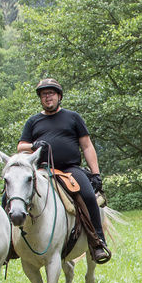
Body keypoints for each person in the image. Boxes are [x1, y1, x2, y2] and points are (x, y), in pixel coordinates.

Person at [16, 78, 111, 264]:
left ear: (59, 96)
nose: (47, 97)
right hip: (41, 170)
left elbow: (87, 146)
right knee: (13, 193)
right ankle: (12, 243)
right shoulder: (33, 121)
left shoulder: (73, 117)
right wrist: (34, 145)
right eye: (44, 94)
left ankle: (97, 241)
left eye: (51, 93)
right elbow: (21, 147)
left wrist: (95, 173)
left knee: (89, 196)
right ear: (40, 99)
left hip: (69, 169)